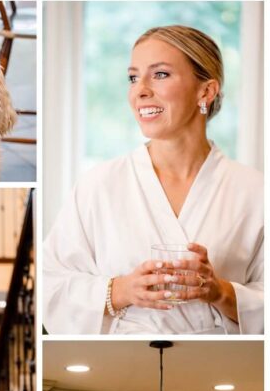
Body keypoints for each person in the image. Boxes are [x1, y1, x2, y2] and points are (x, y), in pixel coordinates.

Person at [43, 25, 263, 334]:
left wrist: (220, 292)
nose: (140, 90)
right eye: (133, 77)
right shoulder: (98, 186)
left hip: (218, 366)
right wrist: (120, 290)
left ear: (206, 91)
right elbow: (50, 285)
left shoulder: (255, 192)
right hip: (121, 364)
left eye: (160, 74)